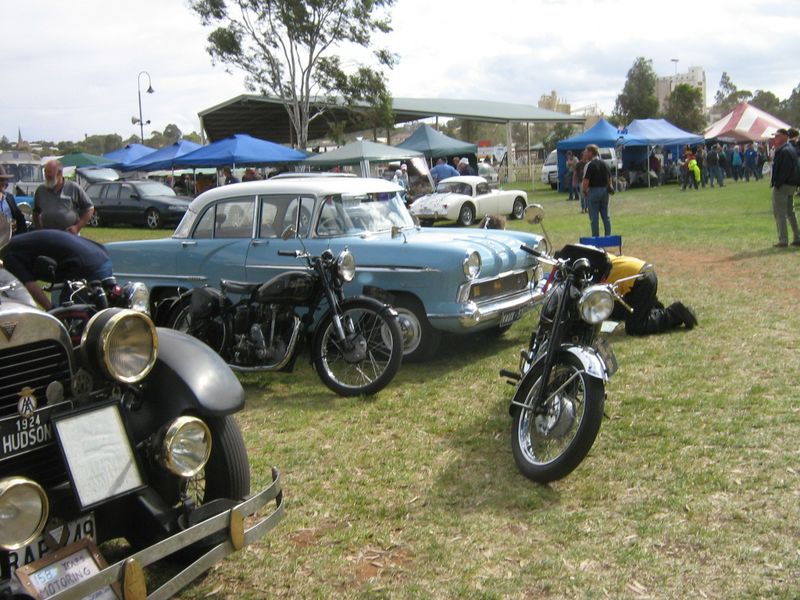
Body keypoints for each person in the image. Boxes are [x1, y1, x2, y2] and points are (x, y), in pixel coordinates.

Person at [2, 229, 113, 310]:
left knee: (69, 314)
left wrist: (50, 309)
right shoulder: (17, 242)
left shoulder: (8, 253)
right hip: (100, 255)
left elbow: (30, 285)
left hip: (87, 266)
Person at [605, 253, 697, 335]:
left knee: (635, 327)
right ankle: (652, 307)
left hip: (640, 280)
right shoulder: (598, 254)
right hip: (638, 276)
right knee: (610, 312)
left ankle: (675, 313)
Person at [32, 160, 94, 233]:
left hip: (69, 234)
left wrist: (77, 227)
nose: (46, 175)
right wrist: (39, 229)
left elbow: (89, 208)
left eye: (49, 172)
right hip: (48, 234)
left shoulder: (73, 187)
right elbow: (35, 213)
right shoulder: (41, 190)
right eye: (45, 172)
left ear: (60, 173)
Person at [768, 128, 800, 248]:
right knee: (790, 212)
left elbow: (785, 170)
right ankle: (797, 237)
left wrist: (778, 183)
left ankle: (783, 239)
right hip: (791, 184)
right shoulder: (789, 149)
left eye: (778, 136)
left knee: (780, 213)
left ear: (785, 136)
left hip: (784, 185)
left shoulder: (785, 150)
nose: (775, 138)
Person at [581, 144, 612, 237]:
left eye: (586, 152)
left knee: (594, 217)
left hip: (593, 191)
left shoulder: (590, 165)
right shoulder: (605, 163)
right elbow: (609, 178)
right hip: (605, 191)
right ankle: (608, 237)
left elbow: (586, 181)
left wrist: (584, 191)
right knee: (606, 216)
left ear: (591, 152)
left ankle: (596, 238)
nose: (585, 154)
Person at [0, 166, 29, 234]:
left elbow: (20, 218)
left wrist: (21, 236)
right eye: (1, 180)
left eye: (6, 180)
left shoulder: (9, 197)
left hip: (10, 237)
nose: (5, 183)